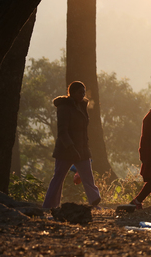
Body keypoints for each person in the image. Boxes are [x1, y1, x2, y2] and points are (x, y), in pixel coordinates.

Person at [43, 81, 101, 209]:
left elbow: (83, 130)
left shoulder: (82, 106)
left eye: (84, 92)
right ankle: (49, 206)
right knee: (58, 179)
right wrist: (71, 147)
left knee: (88, 178)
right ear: (72, 93)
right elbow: (62, 131)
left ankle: (95, 203)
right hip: (65, 150)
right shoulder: (63, 107)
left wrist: (85, 148)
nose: (82, 95)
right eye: (80, 92)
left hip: (82, 150)